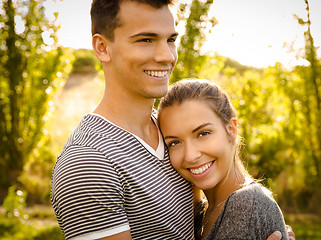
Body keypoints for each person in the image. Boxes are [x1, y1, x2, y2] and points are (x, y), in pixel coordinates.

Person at [51, 0, 294, 239]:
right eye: (146, 40)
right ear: (102, 47)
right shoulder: (89, 162)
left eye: (171, 40)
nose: (166, 56)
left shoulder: (171, 132)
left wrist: (258, 224)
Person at [158, 79, 290, 239]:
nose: (190, 156)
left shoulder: (245, 203)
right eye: (175, 142)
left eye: (203, 133)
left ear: (231, 130)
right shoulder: (202, 212)